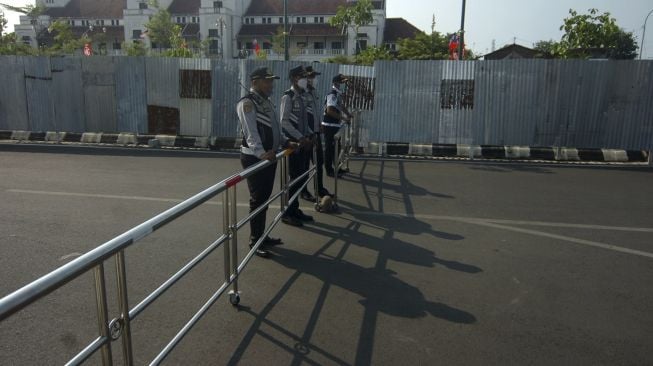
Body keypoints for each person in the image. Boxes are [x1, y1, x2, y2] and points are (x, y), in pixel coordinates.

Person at [237, 67, 290, 258]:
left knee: (264, 199)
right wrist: (261, 153)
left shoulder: (266, 102)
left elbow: (275, 128)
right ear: (255, 83)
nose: (270, 85)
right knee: (257, 199)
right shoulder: (247, 104)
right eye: (266, 81)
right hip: (255, 158)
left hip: (269, 156)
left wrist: (285, 142)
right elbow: (251, 133)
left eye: (271, 81)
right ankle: (254, 240)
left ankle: (261, 236)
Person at [280, 66, 314, 227]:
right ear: (294, 78)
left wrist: (309, 134)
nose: (306, 79)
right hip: (293, 144)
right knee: (294, 179)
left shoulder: (303, 96)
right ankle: (287, 213)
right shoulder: (288, 97)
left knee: (301, 177)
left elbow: (304, 120)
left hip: (303, 143)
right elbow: (284, 122)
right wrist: (301, 137)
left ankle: (295, 209)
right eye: (302, 76)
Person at [301, 65, 329, 200]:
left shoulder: (313, 92)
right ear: (304, 78)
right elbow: (303, 117)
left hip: (316, 133)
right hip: (307, 136)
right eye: (311, 76)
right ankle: (304, 191)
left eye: (314, 76)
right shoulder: (301, 94)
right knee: (305, 165)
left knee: (319, 162)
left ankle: (320, 189)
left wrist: (320, 124)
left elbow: (315, 112)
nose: (314, 79)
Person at [322, 74, 352, 178]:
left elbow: (340, 105)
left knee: (337, 148)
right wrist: (344, 118)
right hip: (329, 125)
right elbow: (330, 111)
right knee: (330, 149)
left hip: (335, 125)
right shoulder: (332, 94)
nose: (342, 84)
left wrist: (348, 114)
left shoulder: (338, 94)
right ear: (336, 83)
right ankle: (329, 170)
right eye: (341, 82)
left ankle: (337, 167)